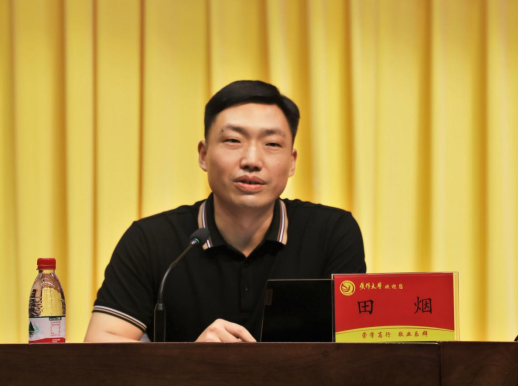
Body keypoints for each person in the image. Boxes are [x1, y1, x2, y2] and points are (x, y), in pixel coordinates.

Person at [84, 80, 366, 343]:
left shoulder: (332, 233)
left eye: (272, 144)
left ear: (292, 161)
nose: (252, 160)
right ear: (204, 154)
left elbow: (353, 349)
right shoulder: (151, 239)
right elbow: (100, 345)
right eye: (233, 140)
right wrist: (190, 360)